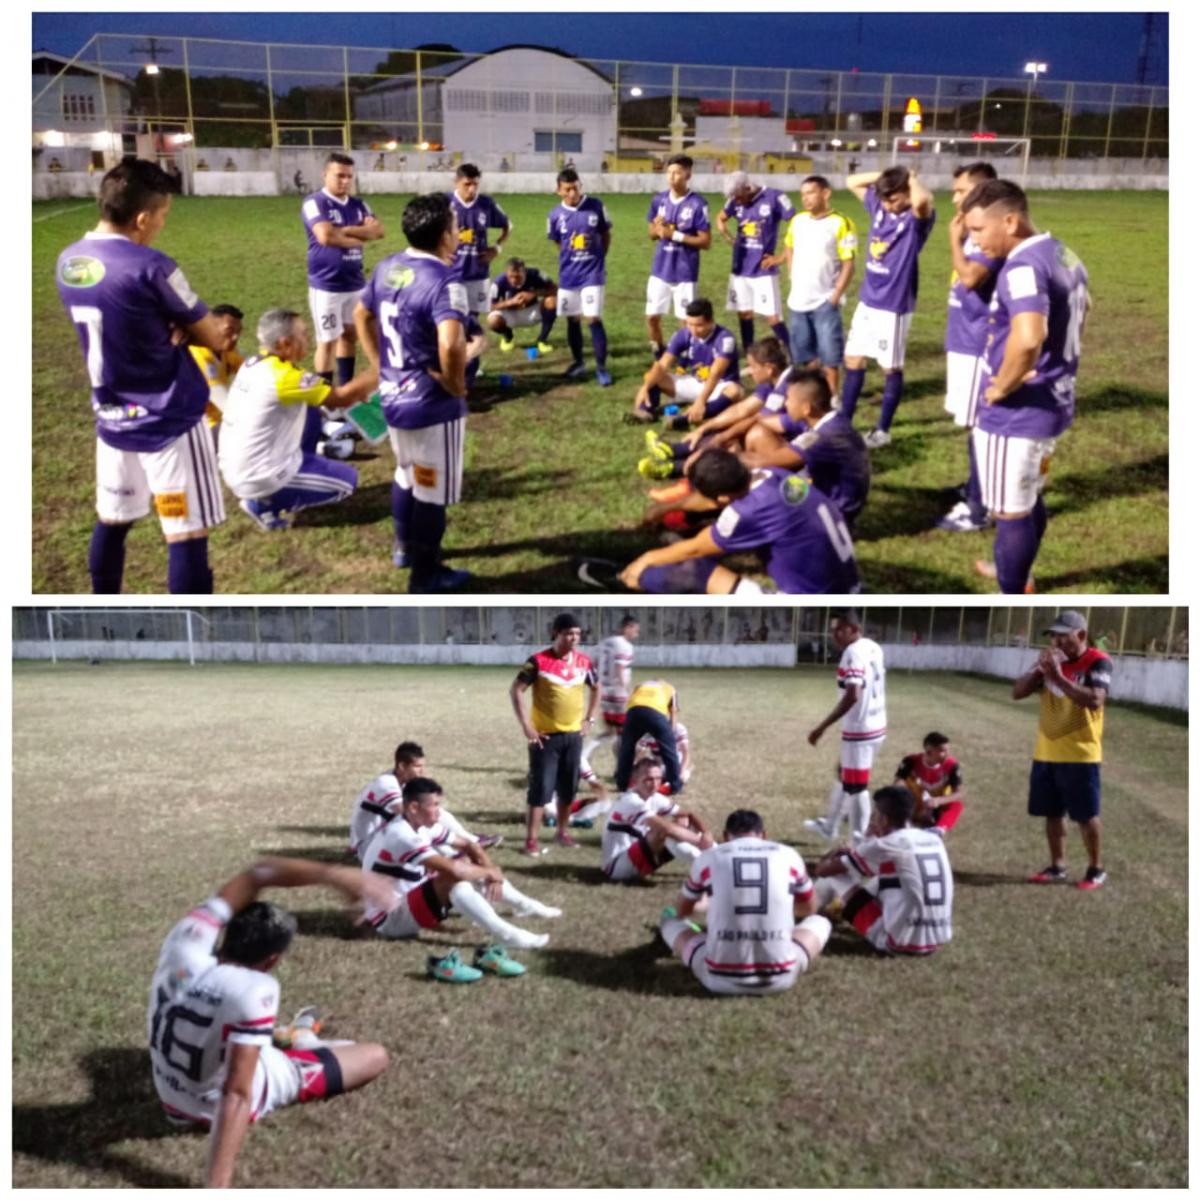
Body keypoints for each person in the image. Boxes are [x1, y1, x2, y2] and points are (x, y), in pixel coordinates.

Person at [147, 856, 393, 1187]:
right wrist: (216, 1187)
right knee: (373, 1055)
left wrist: (333, 875)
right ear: (272, 960)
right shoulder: (255, 990)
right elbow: (236, 1093)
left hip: (169, 1095)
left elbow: (257, 873)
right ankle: (302, 1039)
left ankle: (282, 1039)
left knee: (233, 1038)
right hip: (210, 1105)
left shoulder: (186, 939)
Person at [56, 158, 228, 594]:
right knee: (186, 533)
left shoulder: (68, 261)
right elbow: (214, 337)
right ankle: (196, 639)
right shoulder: (152, 267)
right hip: (167, 419)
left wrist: (157, 326)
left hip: (112, 417)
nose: (161, 226)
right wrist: (181, 327)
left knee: (112, 521)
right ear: (142, 217)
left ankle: (101, 605)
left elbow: (118, 319)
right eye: (163, 216)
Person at [961, 179, 1091, 594]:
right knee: (1029, 497)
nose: (974, 241)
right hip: (1054, 400)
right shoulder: (1061, 250)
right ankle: (1019, 573)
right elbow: (1085, 303)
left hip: (1016, 413)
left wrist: (1002, 386)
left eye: (979, 230)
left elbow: (1030, 336)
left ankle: (1013, 590)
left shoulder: (1020, 266)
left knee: (1010, 513)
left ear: (1011, 221)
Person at [355, 193, 472, 592]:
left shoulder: (389, 265)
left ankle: (403, 548)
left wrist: (378, 365)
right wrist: (457, 383)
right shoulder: (444, 280)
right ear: (444, 236)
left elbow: (361, 313)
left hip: (392, 394)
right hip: (431, 404)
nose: (458, 233)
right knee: (431, 490)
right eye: (455, 226)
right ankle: (426, 575)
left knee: (407, 475)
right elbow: (452, 344)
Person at [361, 779, 559, 974]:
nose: (439, 811)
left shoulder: (417, 824)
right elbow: (455, 871)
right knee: (456, 876)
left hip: (407, 900)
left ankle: (524, 907)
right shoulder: (401, 834)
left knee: (465, 868)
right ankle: (506, 933)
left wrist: (490, 868)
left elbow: (469, 844)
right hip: (389, 919)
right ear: (413, 807)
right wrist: (491, 872)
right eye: (435, 805)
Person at [621, 451, 860, 596]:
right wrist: (666, 508)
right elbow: (712, 503)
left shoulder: (746, 512)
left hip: (811, 602)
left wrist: (645, 560)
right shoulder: (776, 475)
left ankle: (631, 581)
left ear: (723, 498)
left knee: (694, 569)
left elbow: (694, 548)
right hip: (848, 586)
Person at [218, 309, 373, 531]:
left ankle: (296, 469)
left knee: (311, 405)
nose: (308, 338)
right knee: (347, 482)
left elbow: (325, 398)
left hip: (237, 466)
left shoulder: (255, 362)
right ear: (284, 343)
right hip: (260, 475)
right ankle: (262, 504)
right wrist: (378, 370)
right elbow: (341, 397)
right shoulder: (285, 378)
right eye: (303, 334)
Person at [659, 808, 831, 996]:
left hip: (719, 977)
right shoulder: (789, 855)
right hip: (780, 977)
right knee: (821, 922)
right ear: (764, 835)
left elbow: (682, 910)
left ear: (725, 836)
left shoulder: (708, 858)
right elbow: (809, 909)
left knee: (671, 920)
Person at [1012, 610, 1111, 889]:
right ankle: (1058, 866)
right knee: (1052, 813)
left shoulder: (1098, 662)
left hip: (1081, 754)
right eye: (1053, 636)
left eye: (1062, 636)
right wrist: (1039, 671)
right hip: (1047, 751)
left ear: (1080, 635)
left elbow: (1095, 700)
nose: (1056, 641)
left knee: (1085, 815)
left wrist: (1058, 676)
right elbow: (1017, 693)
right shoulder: (1049, 662)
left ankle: (1096, 869)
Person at [840, 165, 936, 449]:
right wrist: (885, 175)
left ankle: (883, 431)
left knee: (890, 368)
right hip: (868, 299)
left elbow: (922, 201)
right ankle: (844, 422)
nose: (887, 204)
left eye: (893, 199)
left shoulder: (916, 220)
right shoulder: (880, 207)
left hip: (894, 305)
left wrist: (913, 177)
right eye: (883, 198)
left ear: (906, 193)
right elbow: (851, 180)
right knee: (853, 360)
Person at [812, 785, 953, 956]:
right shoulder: (932, 838)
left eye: (875, 815)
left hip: (895, 943)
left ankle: (804, 911)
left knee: (835, 878)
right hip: (935, 940)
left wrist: (836, 851)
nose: (872, 820)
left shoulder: (884, 845)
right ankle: (835, 908)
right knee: (888, 878)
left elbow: (822, 871)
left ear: (885, 819)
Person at [937, 162, 1002, 533]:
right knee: (973, 426)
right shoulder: (973, 234)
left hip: (979, 344)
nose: (955, 197)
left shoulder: (987, 236)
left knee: (981, 426)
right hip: (964, 339)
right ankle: (976, 487)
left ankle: (977, 506)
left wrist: (953, 239)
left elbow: (971, 276)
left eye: (961, 191)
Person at [510, 612, 599, 856]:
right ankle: (531, 840)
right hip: (545, 737)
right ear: (555, 634)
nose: (573, 638)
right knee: (540, 790)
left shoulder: (584, 662)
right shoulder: (537, 661)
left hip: (573, 737)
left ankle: (562, 832)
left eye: (577, 634)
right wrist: (527, 726)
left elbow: (596, 687)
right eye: (568, 633)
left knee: (569, 789)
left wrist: (589, 719)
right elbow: (516, 690)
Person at [737, 368, 870, 529]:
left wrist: (723, 458)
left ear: (806, 407)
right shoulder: (826, 418)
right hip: (824, 491)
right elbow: (768, 421)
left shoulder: (822, 437)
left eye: (789, 399)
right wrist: (722, 436)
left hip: (835, 512)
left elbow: (763, 462)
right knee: (760, 438)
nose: (785, 403)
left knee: (763, 481)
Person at [301, 153, 384, 390]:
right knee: (327, 341)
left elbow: (378, 232)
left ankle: (345, 390)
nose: (345, 181)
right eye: (339, 176)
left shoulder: (359, 204)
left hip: (355, 283)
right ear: (325, 174)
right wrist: (360, 234)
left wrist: (343, 232)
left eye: (349, 176)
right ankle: (326, 400)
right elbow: (325, 236)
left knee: (350, 336)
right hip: (326, 285)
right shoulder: (315, 202)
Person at [806, 609, 887, 842]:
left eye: (839, 630)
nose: (834, 635)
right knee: (844, 775)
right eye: (832, 630)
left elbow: (853, 694)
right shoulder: (873, 646)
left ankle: (859, 842)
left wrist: (821, 727)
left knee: (856, 787)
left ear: (853, 629)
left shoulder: (853, 653)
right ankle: (830, 827)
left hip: (860, 730)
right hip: (877, 724)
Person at [349, 739, 502, 859]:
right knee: (424, 820)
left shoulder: (402, 782)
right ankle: (462, 848)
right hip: (366, 847)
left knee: (429, 816)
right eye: (417, 767)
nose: (422, 771)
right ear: (402, 766)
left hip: (379, 838)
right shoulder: (386, 783)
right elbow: (405, 813)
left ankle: (463, 847)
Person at [783, 174, 857, 394]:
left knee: (830, 357)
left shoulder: (841, 223)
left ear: (826, 193)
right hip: (798, 301)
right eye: (803, 194)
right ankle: (815, 394)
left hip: (824, 301)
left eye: (811, 193)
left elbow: (849, 263)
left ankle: (833, 398)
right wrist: (791, 274)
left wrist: (834, 296)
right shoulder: (798, 221)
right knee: (805, 356)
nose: (805, 198)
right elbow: (788, 246)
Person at [547, 167, 614, 385]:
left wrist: (599, 258)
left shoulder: (596, 206)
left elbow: (605, 235)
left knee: (593, 318)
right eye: (567, 189)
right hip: (568, 275)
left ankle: (602, 368)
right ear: (559, 191)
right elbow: (559, 242)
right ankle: (579, 362)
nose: (572, 193)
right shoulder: (555, 215)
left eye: (575, 188)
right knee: (572, 319)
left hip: (592, 274)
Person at [715, 171, 794, 355]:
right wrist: (728, 237)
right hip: (740, 269)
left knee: (772, 317)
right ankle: (750, 353)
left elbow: (798, 224)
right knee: (744, 312)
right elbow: (721, 218)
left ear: (747, 187)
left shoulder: (775, 197)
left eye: (738, 197)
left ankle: (793, 352)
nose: (736, 201)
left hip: (763, 269)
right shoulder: (734, 200)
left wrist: (781, 257)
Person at [630, 298, 742, 426]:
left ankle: (688, 418)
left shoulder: (725, 338)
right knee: (655, 376)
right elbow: (662, 364)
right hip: (696, 382)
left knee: (735, 391)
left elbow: (716, 373)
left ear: (710, 322)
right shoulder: (684, 334)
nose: (693, 330)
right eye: (689, 324)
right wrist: (645, 387)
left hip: (718, 386)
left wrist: (700, 401)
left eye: (698, 325)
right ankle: (645, 412)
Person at [601, 757, 712, 882]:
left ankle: (710, 862)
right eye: (648, 779)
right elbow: (666, 828)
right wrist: (701, 841)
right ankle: (710, 865)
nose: (654, 784)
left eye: (658, 778)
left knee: (682, 820)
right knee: (664, 831)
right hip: (617, 867)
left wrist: (706, 833)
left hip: (639, 857)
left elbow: (688, 814)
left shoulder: (654, 797)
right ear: (635, 779)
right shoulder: (630, 801)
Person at [644, 153, 712, 358]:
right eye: (670, 172)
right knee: (652, 317)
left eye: (677, 172)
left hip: (685, 273)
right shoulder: (659, 200)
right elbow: (650, 234)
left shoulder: (698, 204)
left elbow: (706, 242)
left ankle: (686, 358)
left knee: (686, 321)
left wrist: (676, 235)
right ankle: (659, 355)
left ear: (688, 175)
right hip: (660, 270)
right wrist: (657, 229)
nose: (672, 176)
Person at [579, 614, 639, 795]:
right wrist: (627, 692)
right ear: (626, 627)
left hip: (604, 693)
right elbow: (620, 669)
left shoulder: (604, 643)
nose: (636, 634)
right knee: (624, 735)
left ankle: (587, 755)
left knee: (613, 733)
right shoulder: (625, 646)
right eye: (635, 630)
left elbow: (593, 664)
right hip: (619, 695)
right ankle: (621, 771)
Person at [447, 163, 512, 319]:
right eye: (467, 184)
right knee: (453, 317)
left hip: (478, 272)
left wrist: (497, 248)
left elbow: (508, 225)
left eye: (475, 184)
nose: (472, 189)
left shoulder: (486, 203)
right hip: (451, 272)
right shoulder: (445, 203)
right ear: (456, 181)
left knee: (473, 318)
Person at [614, 678, 684, 796]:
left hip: (633, 711)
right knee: (669, 750)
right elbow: (673, 712)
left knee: (627, 749)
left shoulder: (641, 685)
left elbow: (630, 700)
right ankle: (675, 785)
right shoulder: (670, 688)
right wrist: (669, 735)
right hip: (655, 712)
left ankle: (622, 783)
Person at [188, 303, 244, 439]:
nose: (235, 337)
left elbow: (257, 375)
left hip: (219, 423)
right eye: (230, 330)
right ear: (211, 327)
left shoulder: (226, 351)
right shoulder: (198, 355)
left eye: (238, 332)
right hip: (202, 428)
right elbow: (223, 401)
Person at [894, 731, 965, 836]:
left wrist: (939, 801)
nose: (947, 755)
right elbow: (898, 783)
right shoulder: (911, 761)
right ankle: (904, 822)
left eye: (947, 750)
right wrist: (908, 800)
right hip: (913, 802)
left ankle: (938, 830)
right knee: (892, 797)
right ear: (928, 752)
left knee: (957, 805)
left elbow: (958, 793)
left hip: (935, 805)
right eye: (942, 751)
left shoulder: (952, 766)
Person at [487, 256, 557, 353]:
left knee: (552, 301)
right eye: (511, 277)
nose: (514, 280)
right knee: (493, 321)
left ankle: (542, 340)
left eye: (518, 276)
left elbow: (555, 289)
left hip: (532, 311)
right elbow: (489, 306)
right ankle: (508, 337)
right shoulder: (499, 282)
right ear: (506, 274)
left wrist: (534, 294)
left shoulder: (535, 274)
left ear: (525, 272)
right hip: (510, 313)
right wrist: (511, 302)